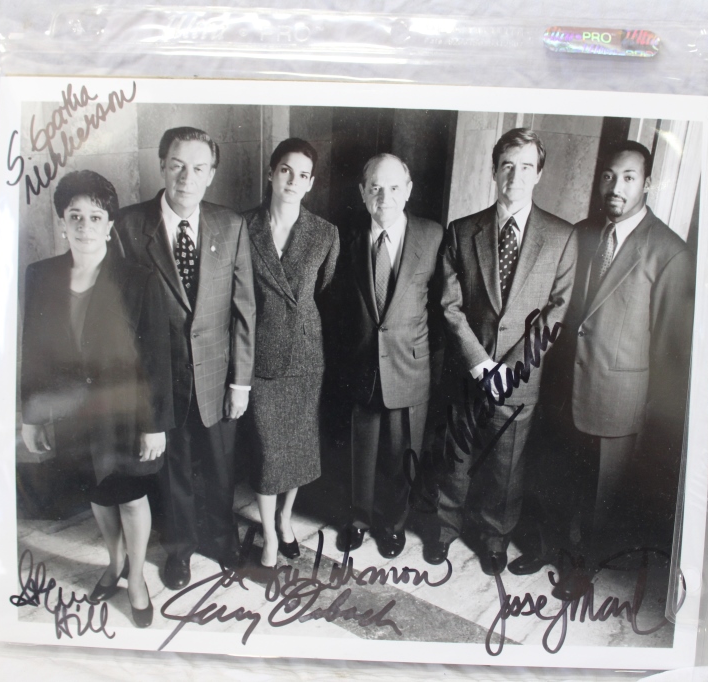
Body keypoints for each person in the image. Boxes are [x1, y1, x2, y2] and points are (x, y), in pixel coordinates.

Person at [511, 141, 695, 589]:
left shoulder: (669, 251)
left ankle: (582, 567)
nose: (616, 187)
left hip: (617, 397)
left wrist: (650, 416)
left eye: (629, 178)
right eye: (609, 176)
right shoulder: (582, 232)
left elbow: (669, 348)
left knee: (599, 495)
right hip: (563, 385)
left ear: (647, 183)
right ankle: (545, 546)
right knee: (553, 475)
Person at [20, 170, 172, 628]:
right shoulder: (40, 275)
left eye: (95, 216)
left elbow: (157, 359)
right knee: (98, 494)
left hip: (125, 416)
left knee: (130, 497)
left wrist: (154, 425)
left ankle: (137, 578)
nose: (84, 226)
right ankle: (114, 562)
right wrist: (32, 415)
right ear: (62, 222)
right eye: (75, 216)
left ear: (110, 225)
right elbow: (34, 352)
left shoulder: (139, 280)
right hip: (73, 415)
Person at [427, 128, 577, 576]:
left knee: (507, 464)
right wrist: (480, 364)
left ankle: (494, 538)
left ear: (539, 174)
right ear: (494, 171)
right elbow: (449, 305)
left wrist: (508, 371)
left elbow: (557, 310)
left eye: (526, 166)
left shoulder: (562, 236)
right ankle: (443, 529)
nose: (515, 176)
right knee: (455, 456)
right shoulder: (462, 230)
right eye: (507, 165)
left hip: (520, 374)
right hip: (467, 368)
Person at [116, 127, 256, 589]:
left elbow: (244, 309)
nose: (186, 178)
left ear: (211, 174)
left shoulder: (230, 225)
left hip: (217, 376)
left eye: (198, 168)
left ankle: (223, 539)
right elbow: (123, 321)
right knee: (172, 469)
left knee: (220, 465)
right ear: (162, 166)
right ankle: (179, 549)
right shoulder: (129, 226)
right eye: (177, 165)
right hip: (161, 378)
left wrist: (240, 382)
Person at [335, 153, 444, 559]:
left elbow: (442, 307)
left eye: (394, 187)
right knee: (360, 452)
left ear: (409, 190)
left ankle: (394, 525)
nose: (385, 197)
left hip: (409, 365)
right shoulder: (346, 237)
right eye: (376, 188)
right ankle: (359, 519)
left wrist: (429, 362)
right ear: (363, 192)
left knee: (403, 455)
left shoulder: (432, 236)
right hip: (361, 365)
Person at [240, 138, 339, 568]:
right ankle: (268, 536)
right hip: (260, 354)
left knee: (297, 449)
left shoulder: (325, 233)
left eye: (302, 175)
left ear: (311, 183)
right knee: (267, 453)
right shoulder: (243, 226)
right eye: (285, 170)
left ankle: (284, 519)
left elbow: (325, 291)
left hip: (303, 356)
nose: (293, 180)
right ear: (271, 173)